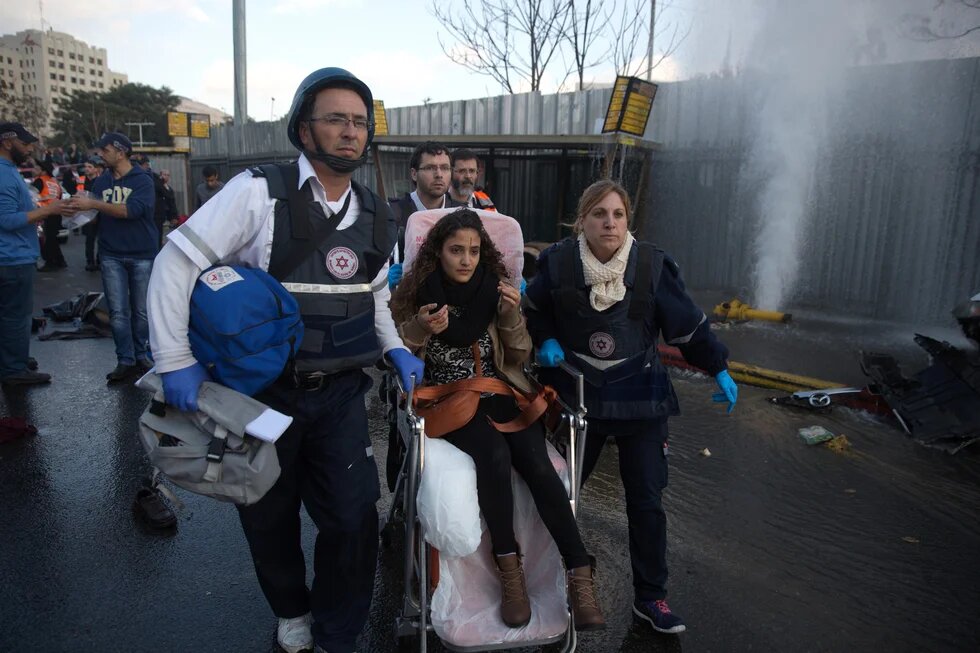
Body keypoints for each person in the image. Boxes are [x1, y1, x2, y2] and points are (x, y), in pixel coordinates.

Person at [146, 67, 424, 653]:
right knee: (269, 515)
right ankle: (292, 611)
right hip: (261, 397)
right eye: (335, 119)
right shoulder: (258, 192)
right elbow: (177, 262)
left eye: (359, 122)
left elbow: (373, 294)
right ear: (303, 129)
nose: (350, 131)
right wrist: (174, 360)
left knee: (353, 516)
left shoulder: (380, 214)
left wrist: (396, 346)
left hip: (341, 393)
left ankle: (338, 631)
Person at [524, 179, 739, 636]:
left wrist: (718, 367)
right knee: (559, 496)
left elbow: (688, 327)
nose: (610, 223)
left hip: (642, 399)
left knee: (646, 503)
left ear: (628, 221)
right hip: (576, 398)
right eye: (599, 214)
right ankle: (546, 585)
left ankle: (651, 598)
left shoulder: (652, 266)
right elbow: (533, 309)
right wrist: (545, 338)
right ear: (582, 220)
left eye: (618, 214)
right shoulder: (558, 263)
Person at [390, 209, 606, 631]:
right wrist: (420, 326)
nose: (466, 260)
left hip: (500, 391)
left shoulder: (495, 290)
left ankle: (580, 576)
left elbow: (520, 355)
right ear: (438, 252)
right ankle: (510, 571)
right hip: (449, 398)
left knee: (539, 465)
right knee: (493, 455)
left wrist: (509, 315)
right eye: (456, 250)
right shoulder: (418, 294)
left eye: (473, 251)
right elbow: (395, 352)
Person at [64, 132, 157, 383]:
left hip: (141, 254)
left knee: (141, 311)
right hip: (111, 254)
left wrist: (94, 205)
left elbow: (132, 211)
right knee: (117, 312)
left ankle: (142, 356)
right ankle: (125, 360)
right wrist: (73, 212)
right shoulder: (102, 181)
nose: (100, 155)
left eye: (105, 150)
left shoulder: (143, 180)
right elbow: (92, 216)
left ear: (121, 152)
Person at [0, 122, 62, 386]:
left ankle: (14, 359)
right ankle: (14, 369)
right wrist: (48, 210)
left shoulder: (8, 170)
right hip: (11, 257)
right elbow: (6, 220)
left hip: (13, 255)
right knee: (15, 315)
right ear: (7, 142)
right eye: (24, 144)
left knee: (11, 315)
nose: (28, 149)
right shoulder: (3, 174)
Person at [387, 141, 463, 288]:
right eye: (430, 168)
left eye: (445, 168)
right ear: (414, 174)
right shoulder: (392, 212)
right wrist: (384, 278)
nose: (439, 175)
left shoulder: (462, 213)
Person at [34, 159, 68, 271]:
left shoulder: (39, 180)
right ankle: (60, 260)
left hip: (45, 213)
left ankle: (50, 262)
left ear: (43, 171)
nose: (33, 170)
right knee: (52, 238)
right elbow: (60, 196)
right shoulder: (55, 183)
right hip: (56, 213)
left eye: (36, 168)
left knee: (46, 240)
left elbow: (32, 196)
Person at [80, 156, 105, 271]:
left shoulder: (101, 182)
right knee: (89, 239)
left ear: (96, 169)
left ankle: (99, 260)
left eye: (90, 167)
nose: (87, 169)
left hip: (100, 213)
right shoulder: (82, 181)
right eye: (86, 167)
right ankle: (90, 262)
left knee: (101, 239)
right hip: (87, 213)